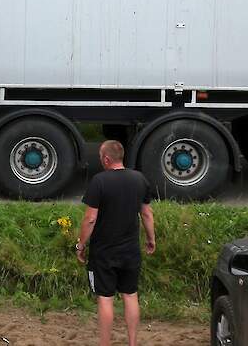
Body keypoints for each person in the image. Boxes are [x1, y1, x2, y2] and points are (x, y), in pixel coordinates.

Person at [76, 140, 156, 346]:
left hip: (103, 253)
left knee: (105, 298)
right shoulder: (139, 179)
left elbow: (90, 218)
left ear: (106, 159)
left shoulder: (99, 181)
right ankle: (132, 343)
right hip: (131, 251)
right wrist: (150, 239)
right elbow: (146, 213)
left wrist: (81, 245)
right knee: (130, 295)